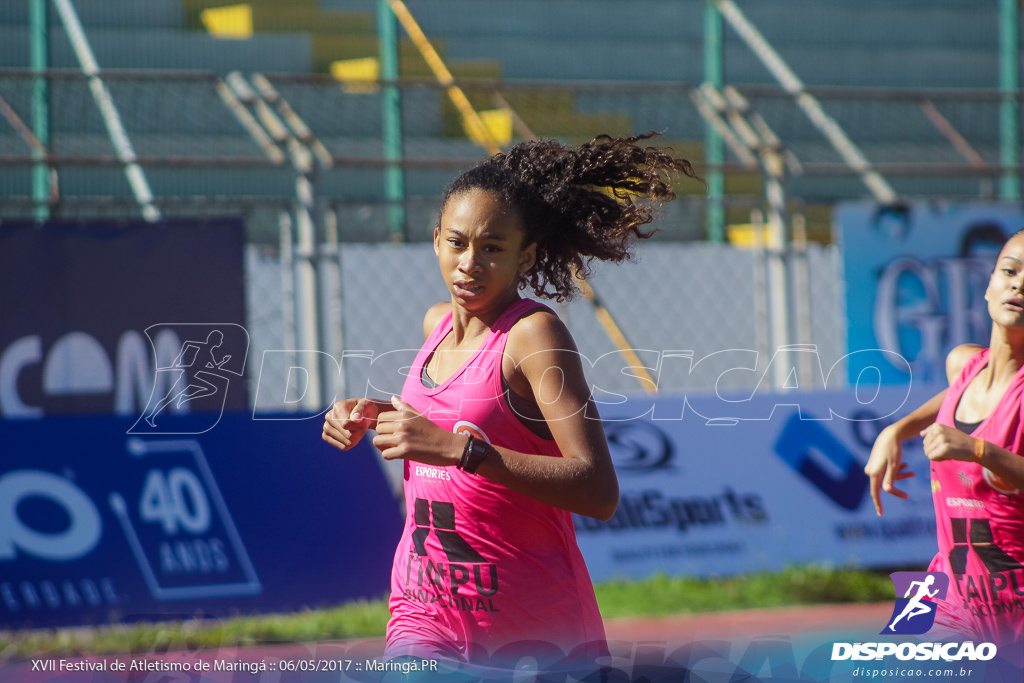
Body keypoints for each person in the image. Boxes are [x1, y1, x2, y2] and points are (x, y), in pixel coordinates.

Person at [322, 133, 700, 675]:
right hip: (424, 616)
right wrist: (373, 413)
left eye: (492, 248)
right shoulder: (434, 325)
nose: (469, 263)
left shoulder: (533, 335)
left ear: (526, 256)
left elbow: (597, 489)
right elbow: (451, 419)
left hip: (536, 636)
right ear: (435, 242)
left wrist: (462, 451)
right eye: (456, 242)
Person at [866, 229, 1024, 661]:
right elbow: (960, 389)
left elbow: (976, 443)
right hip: (950, 603)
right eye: (1009, 271)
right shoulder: (964, 364)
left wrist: (976, 449)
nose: (1019, 284)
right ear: (989, 284)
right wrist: (894, 431)